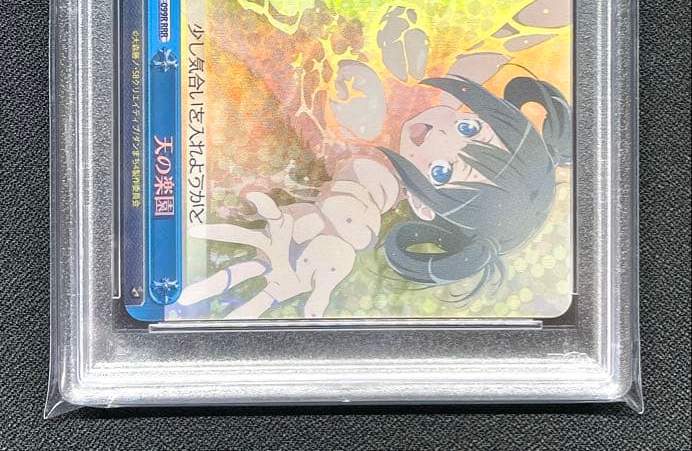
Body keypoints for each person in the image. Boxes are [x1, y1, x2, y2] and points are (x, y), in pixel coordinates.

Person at [177, 72, 571, 319]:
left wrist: (326, 231)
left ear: (423, 205)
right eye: (470, 130)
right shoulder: (448, 71)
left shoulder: (375, 184)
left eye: (442, 172)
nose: (439, 135)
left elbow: (362, 193)